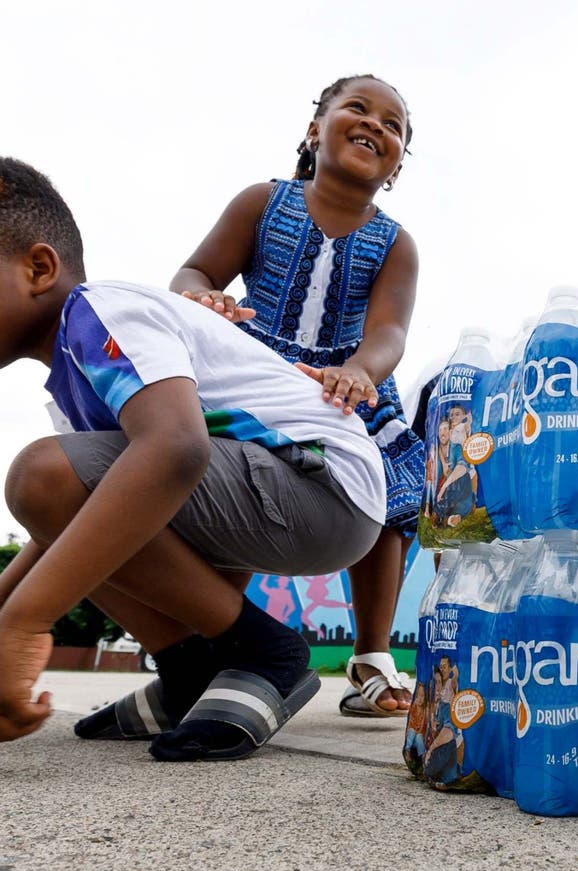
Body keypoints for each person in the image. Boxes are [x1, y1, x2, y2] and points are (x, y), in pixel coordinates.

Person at [0, 156, 386, 760]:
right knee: (68, 496)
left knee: (44, 476)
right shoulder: (72, 385)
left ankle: (262, 653)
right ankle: (188, 673)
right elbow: (75, 517)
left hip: (324, 486)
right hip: (276, 498)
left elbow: (175, 450)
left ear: (39, 267)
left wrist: (24, 623)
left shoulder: (103, 311)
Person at [170, 74, 423, 717]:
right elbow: (194, 272)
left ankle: (370, 654)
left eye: (393, 125)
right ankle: (222, 646)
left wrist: (362, 371)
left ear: (396, 165)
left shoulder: (396, 242)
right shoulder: (263, 201)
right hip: (258, 371)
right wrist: (206, 298)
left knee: (389, 497)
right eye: (358, 109)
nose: (375, 125)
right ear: (316, 128)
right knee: (230, 488)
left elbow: (390, 330)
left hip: (345, 385)